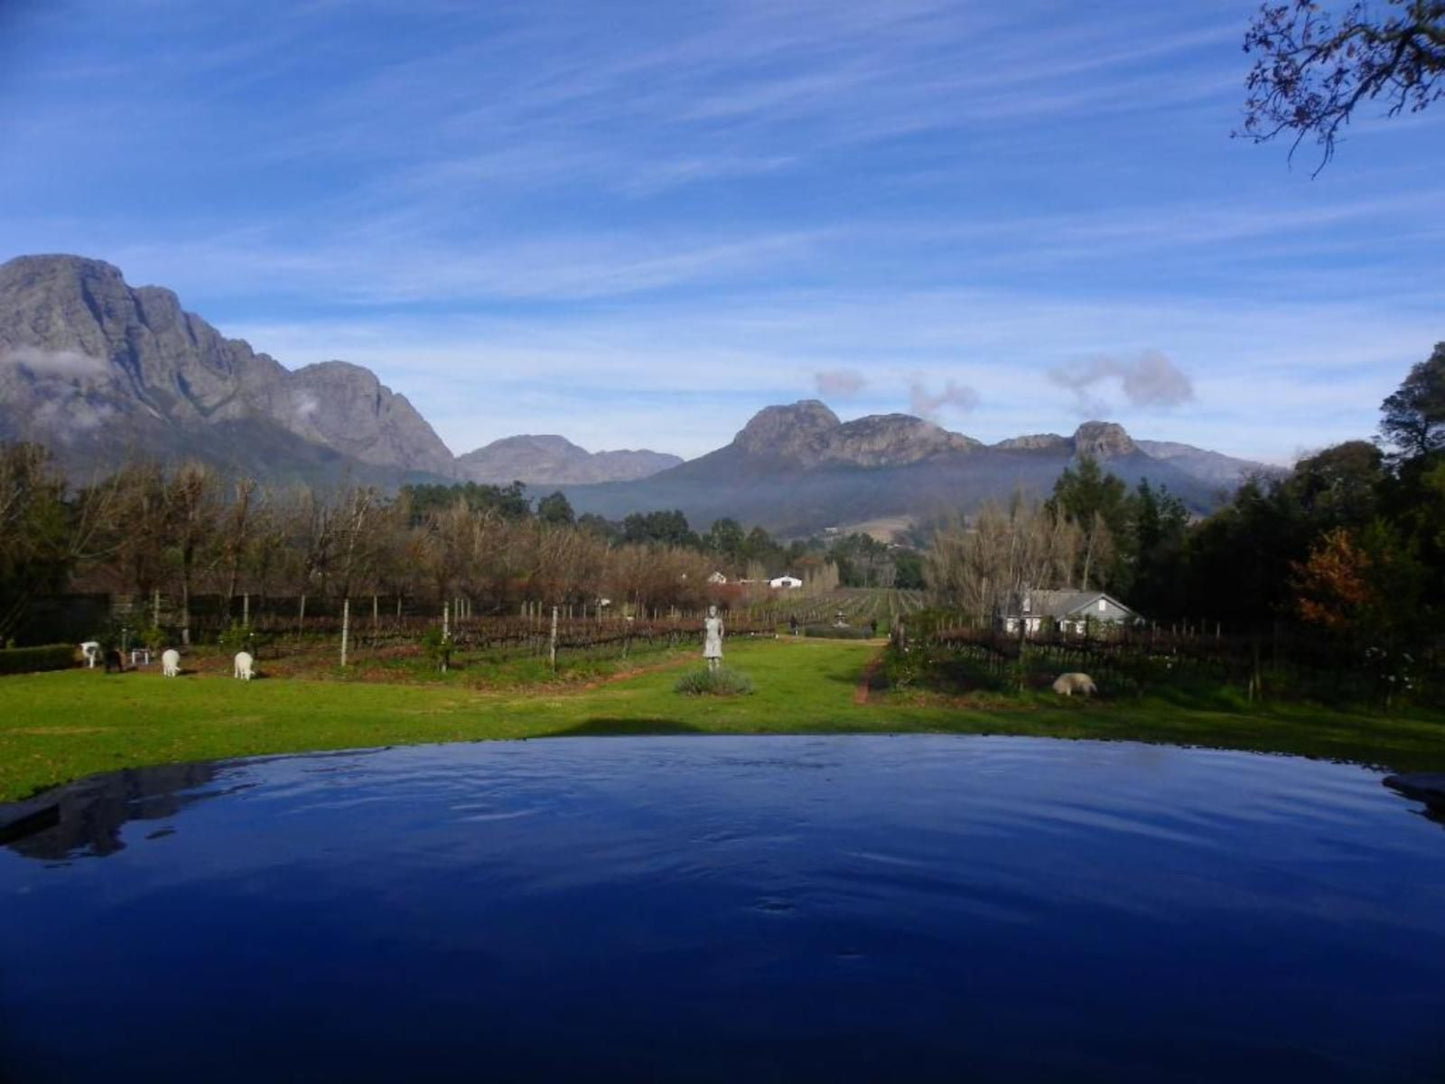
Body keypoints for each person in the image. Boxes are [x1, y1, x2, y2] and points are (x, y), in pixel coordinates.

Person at [703, 605, 724, 672]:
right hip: (709, 640)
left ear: (715, 611)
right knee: (709, 657)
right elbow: (705, 630)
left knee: (716, 657)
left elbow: (722, 629)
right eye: (711, 610)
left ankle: (717, 673)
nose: (712, 612)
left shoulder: (718, 620)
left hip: (716, 639)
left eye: (713, 610)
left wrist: (721, 637)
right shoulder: (706, 620)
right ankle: (710, 672)